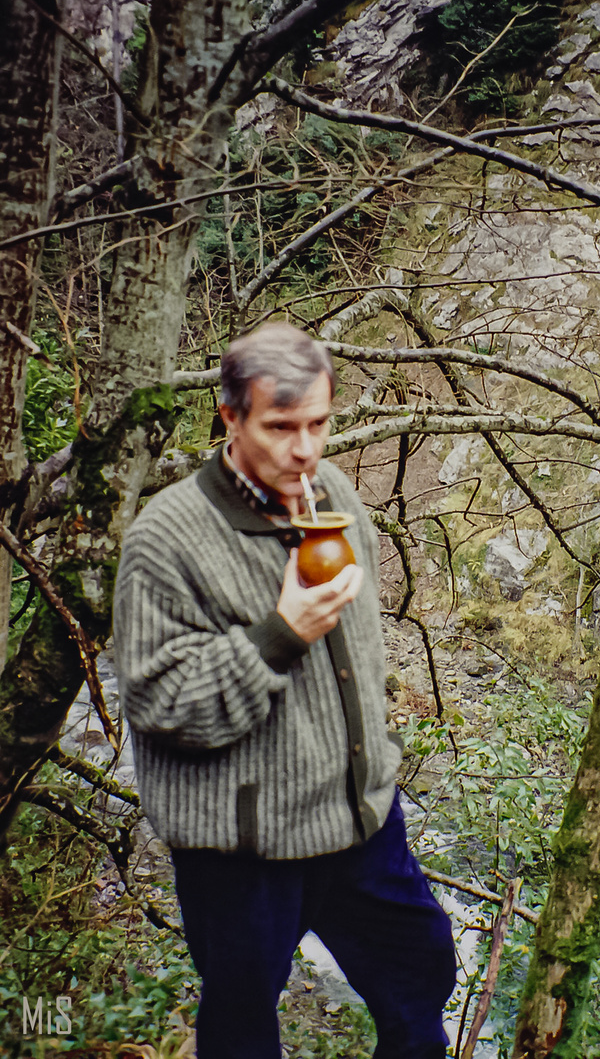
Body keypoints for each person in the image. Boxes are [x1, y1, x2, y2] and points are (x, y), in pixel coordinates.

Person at [114, 322, 457, 1059]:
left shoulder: (328, 491)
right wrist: (280, 631)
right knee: (241, 1025)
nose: (304, 448)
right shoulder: (165, 538)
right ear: (230, 417)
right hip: (243, 851)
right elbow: (162, 706)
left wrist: (378, 751)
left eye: (319, 424)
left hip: (358, 822)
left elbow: (358, 654)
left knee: (422, 968)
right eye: (280, 426)